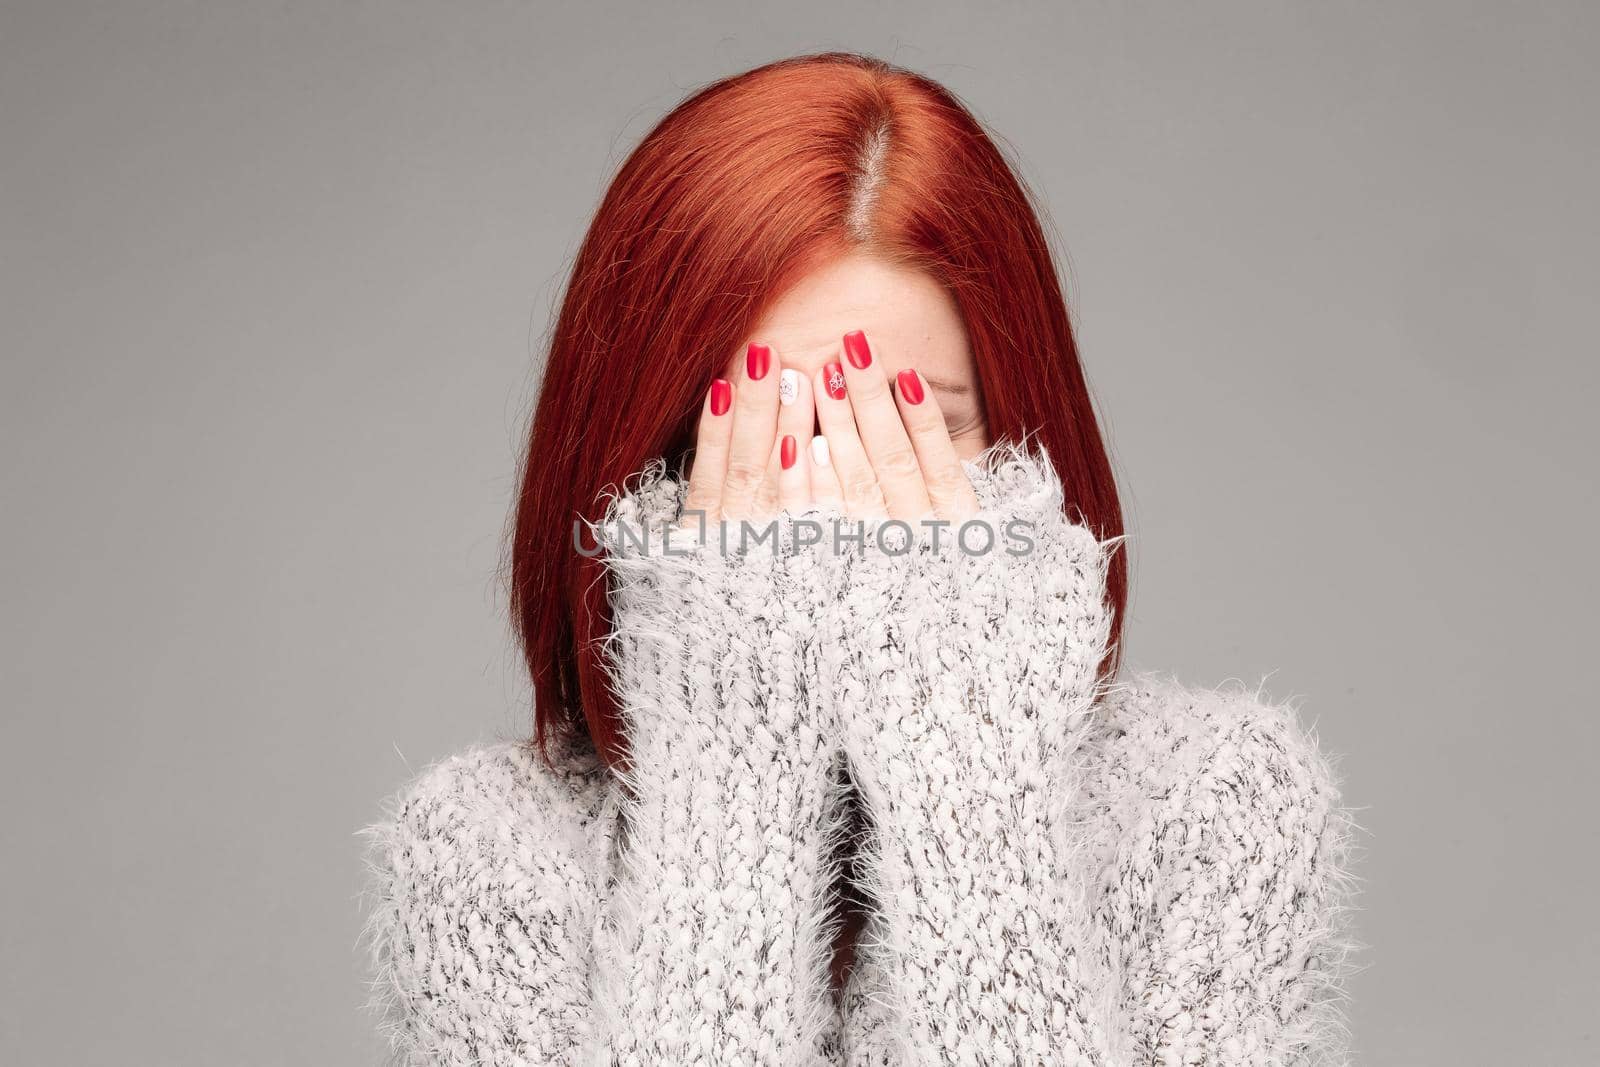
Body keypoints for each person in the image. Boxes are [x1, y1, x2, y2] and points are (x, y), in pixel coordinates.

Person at [362, 51, 1356, 1065]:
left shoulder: (1212, 801)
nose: (835, 506)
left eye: (907, 427)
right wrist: (728, 776)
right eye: (757, 436)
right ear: (636, 451)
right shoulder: (487, 848)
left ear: (1028, 436)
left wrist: (969, 792)